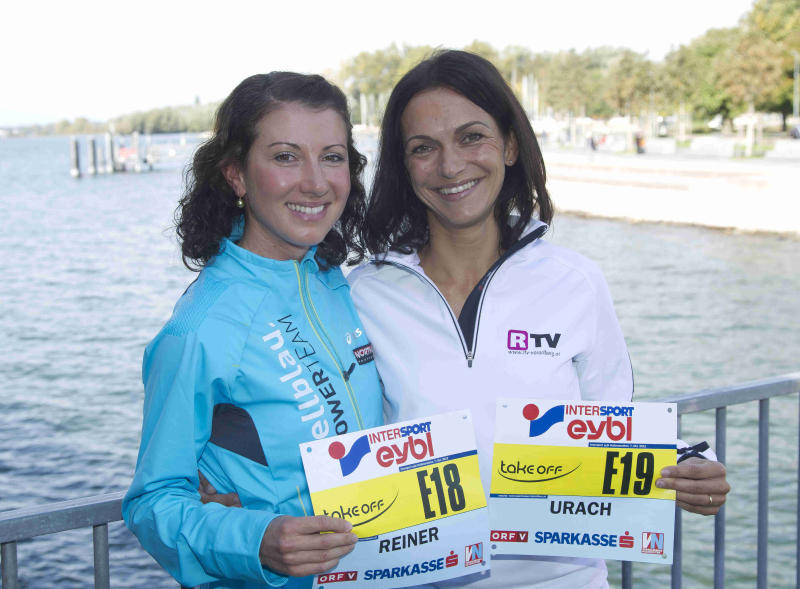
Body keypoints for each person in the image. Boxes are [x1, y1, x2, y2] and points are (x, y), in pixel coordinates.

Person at [347, 50, 730, 588]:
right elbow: (330, 434)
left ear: (509, 145)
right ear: (404, 165)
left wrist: (686, 469)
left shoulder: (575, 281)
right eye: (423, 148)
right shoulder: (362, 294)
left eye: (472, 137)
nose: (450, 166)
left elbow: (612, 426)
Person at [122, 72, 383, 589]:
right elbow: (153, 502)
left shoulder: (336, 284)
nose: (316, 182)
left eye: (332, 157)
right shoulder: (201, 328)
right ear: (236, 175)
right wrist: (255, 539)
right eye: (286, 156)